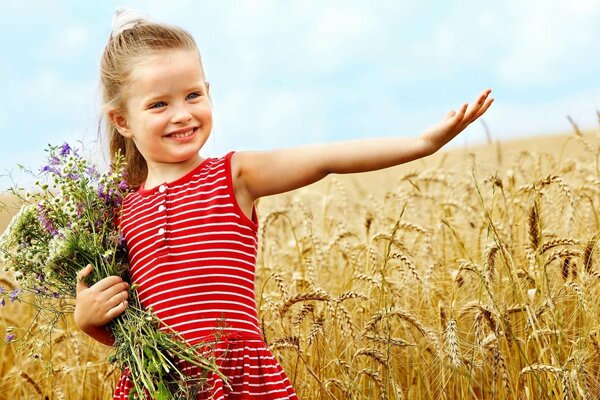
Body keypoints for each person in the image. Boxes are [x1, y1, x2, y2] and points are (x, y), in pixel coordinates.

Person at [73, 7, 493, 400]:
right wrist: (88, 321)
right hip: (161, 383)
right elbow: (130, 329)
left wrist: (421, 144)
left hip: (237, 379)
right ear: (123, 120)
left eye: (193, 95)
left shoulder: (233, 175)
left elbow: (326, 159)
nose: (182, 114)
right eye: (159, 104)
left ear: (209, 92)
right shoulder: (116, 212)